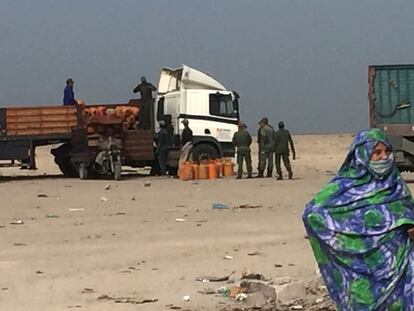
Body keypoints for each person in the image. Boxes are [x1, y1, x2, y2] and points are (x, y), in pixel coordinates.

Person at [303, 129, 414, 310]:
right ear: (362, 155)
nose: (384, 157)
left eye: (387, 152)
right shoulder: (343, 188)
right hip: (362, 273)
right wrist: (352, 241)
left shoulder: (396, 186)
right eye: (376, 153)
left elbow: (407, 215)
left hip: (399, 272)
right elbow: (313, 214)